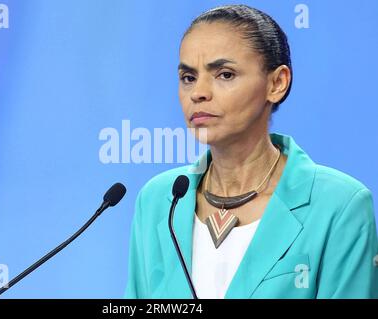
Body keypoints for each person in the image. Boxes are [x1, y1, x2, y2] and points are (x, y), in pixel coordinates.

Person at [124, 4, 378, 299]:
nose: (198, 93)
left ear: (277, 83)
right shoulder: (158, 199)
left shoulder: (340, 205)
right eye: (188, 77)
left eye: (225, 74)